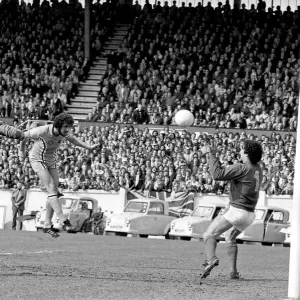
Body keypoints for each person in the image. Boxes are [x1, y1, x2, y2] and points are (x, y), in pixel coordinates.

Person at [0, 113, 99, 238]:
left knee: (54, 192)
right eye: (66, 127)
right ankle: (63, 220)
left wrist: (88, 147)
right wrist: (21, 151)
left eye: (69, 127)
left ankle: (47, 224)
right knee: (51, 187)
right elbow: (23, 136)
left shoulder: (64, 133)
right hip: (37, 159)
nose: (68, 130)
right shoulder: (42, 130)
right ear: (58, 126)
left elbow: (73, 140)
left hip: (51, 160)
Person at [201, 140, 263, 280]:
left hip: (237, 210)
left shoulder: (242, 167)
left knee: (208, 234)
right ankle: (233, 273)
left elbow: (217, 175)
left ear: (247, 154)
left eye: (241, 150)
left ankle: (211, 259)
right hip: (250, 214)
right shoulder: (258, 169)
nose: (239, 152)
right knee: (230, 237)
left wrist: (211, 154)